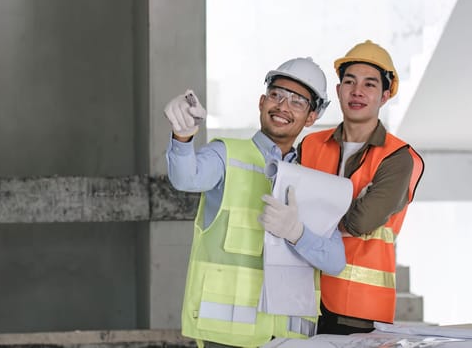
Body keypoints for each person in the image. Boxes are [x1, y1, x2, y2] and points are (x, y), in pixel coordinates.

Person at [164, 57, 347, 348]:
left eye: (297, 101)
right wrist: (183, 139)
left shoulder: (313, 182)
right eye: (276, 95)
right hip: (225, 337)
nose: (283, 106)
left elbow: (336, 261)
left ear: (311, 117)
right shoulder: (226, 155)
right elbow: (187, 178)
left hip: (289, 340)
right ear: (262, 102)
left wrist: (299, 234)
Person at [298, 40, 425, 335]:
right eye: (349, 82)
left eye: (369, 84)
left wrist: (307, 219)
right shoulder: (311, 144)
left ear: (384, 95)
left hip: (359, 311)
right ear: (339, 90)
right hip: (302, 296)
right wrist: (349, 203)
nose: (357, 91)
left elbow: (360, 221)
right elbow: (288, 205)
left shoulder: (398, 158)